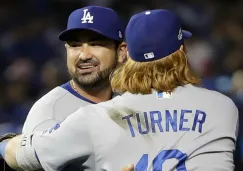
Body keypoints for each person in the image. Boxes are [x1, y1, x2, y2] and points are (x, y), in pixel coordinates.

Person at [0, 9, 238, 171]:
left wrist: (4, 141)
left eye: (96, 44)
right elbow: (164, 101)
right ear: (182, 53)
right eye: (75, 45)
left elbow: (21, 155)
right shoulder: (223, 108)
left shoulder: (96, 119)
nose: (84, 54)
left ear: (126, 54)